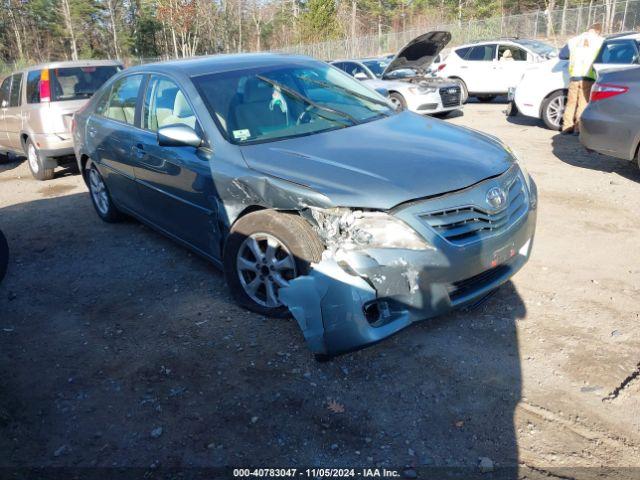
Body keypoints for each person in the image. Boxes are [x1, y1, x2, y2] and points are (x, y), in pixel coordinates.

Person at [562, 23, 604, 134]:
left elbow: (562, 54)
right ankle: (578, 128)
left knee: (571, 103)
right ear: (598, 31)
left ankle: (566, 127)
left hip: (574, 76)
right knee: (583, 103)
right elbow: (606, 57)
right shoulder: (600, 41)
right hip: (588, 76)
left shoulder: (574, 40)